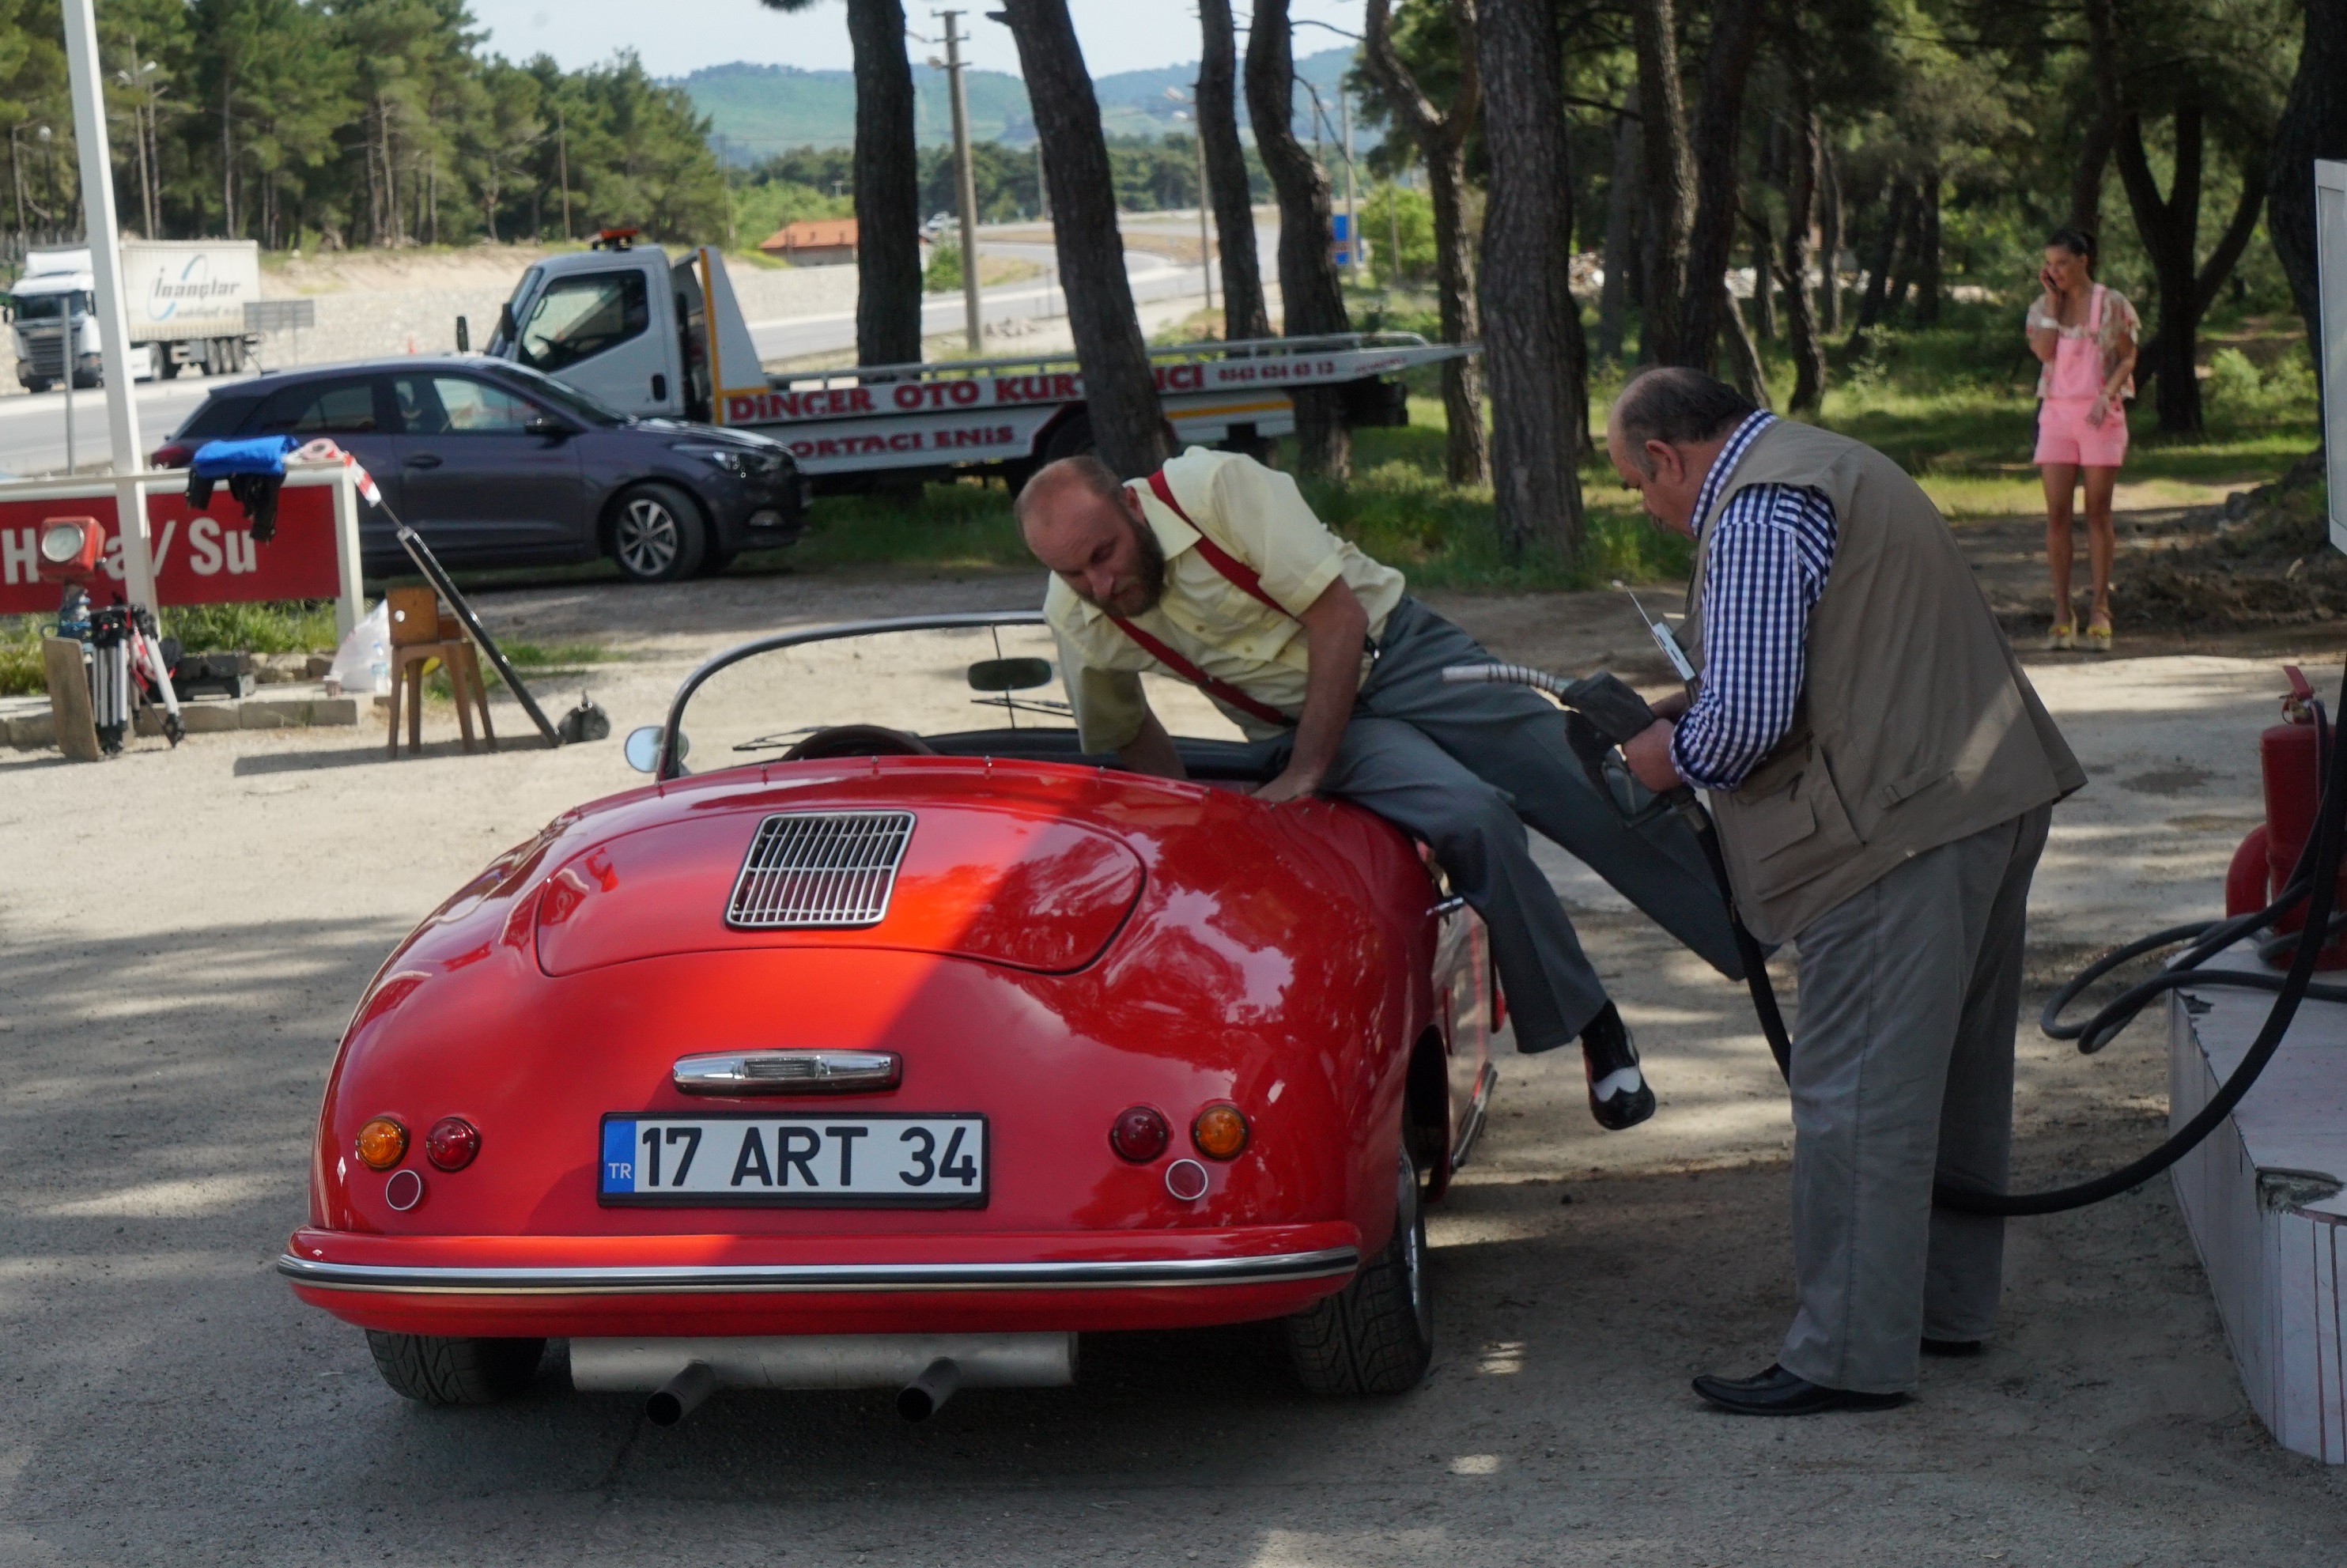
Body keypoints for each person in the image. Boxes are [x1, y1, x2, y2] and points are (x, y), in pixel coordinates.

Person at [1605, 368, 2086, 1415]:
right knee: (1952, 1080)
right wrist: (1702, 694)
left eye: (1637, 486)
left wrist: (1665, 752)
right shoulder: (1834, 465)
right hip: (1983, 796)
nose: (1648, 508)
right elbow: (1832, 650)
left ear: (1665, 457)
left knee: (1857, 1100)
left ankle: (1847, 1355)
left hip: (1894, 832)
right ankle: (1941, 1310)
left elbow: (1751, 719)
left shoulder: (1756, 507)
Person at [1017, 446, 1744, 1130]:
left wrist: (1304, 774)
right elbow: (1126, 733)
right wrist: (1181, 832)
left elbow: (1339, 618)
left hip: (1398, 650)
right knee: (1472, 816)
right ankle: (1593, 1020)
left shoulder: (1215, 490)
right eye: (1074, 573)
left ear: (1134, 509)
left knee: (1580, 773)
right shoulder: (1078, 613)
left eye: (1103, 555)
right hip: (1304, 719)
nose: (1099, 586)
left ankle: (1758, 934)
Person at [2027, 228, 2139, 653]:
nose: (2054, 271)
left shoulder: (2111, 304)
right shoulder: (2042, 306)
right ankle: (2061, 612)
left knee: (2097, 511)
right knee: (2056, 513)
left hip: (2099, 418)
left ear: (2083, 260)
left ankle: (2100, 608)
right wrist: (2054, 304)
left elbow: (2129, 354)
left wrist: (2106, 395)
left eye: (2062, 263)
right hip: (2057, 414)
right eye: (2049, 264)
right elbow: (2042, 352)